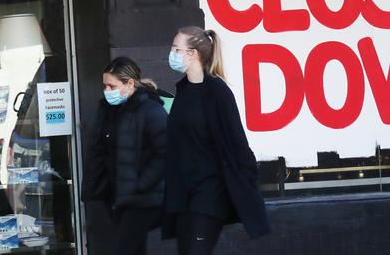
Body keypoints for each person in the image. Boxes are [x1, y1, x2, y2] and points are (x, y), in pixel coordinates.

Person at [164, 26, 269, 255]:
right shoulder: (182, 91)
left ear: (192, 54)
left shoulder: (217, 92)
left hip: (210, 192)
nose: (171, 53)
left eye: (176, 48)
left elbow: (237, 141)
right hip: (184, 193)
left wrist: (249, 184)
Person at [81, 57, 167, 255]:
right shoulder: (108, 110)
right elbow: (99, 151)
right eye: (105, 85)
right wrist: (94, 189)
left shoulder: (151, 110)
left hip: (142, 199)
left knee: (122, 249)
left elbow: (166, 153)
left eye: (112, 86)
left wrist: (140, 184)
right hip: (116, 196)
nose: (107, 91)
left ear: (129, 84)